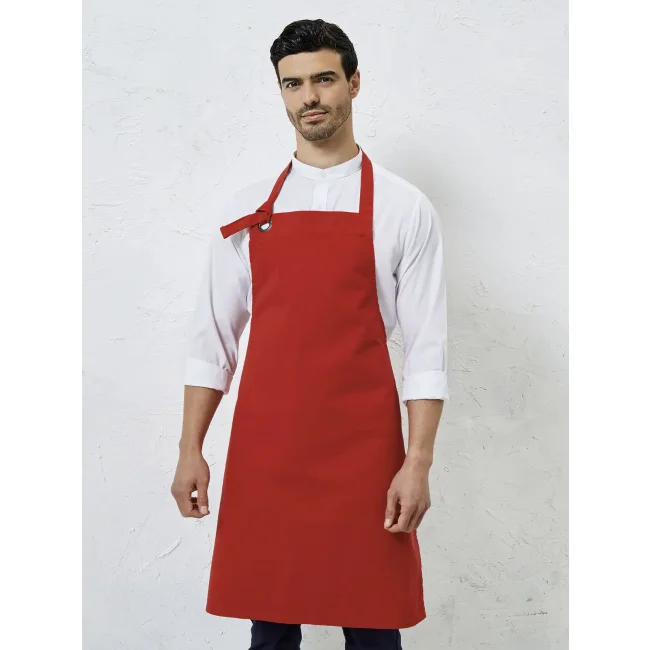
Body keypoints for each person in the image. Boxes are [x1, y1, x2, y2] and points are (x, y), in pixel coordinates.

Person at [171, 18, 449, 650]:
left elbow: (427, 350)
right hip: (268, 451)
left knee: (373, 626)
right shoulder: (247, 211)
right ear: (280, 92)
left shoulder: (404, 208)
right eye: (292, 84)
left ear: (354, 83)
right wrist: (191, 448)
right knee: (270, 629)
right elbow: (213, 343)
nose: (309, 97)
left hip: (365, 454)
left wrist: (417, 461)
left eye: (323, 79)